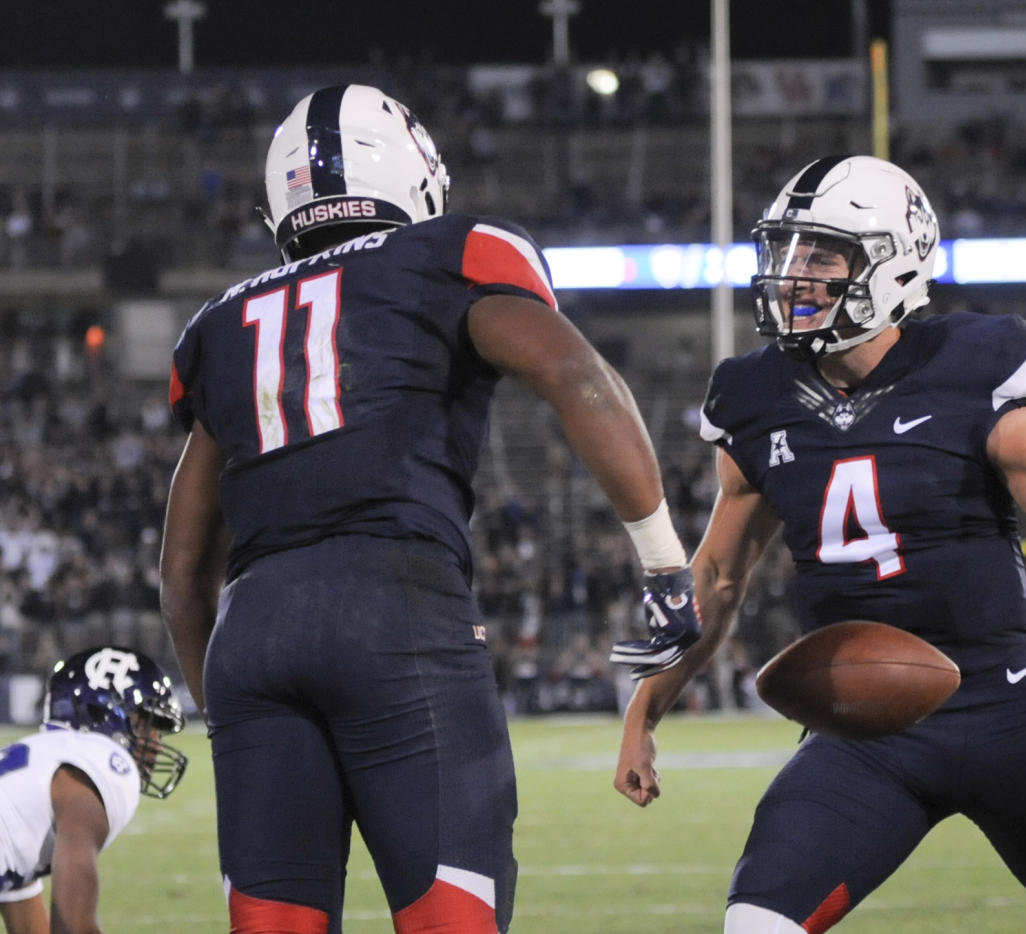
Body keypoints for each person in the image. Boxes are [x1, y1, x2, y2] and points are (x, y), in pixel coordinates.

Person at [158, 84, 699, 934]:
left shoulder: (221, 323)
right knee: (452, 918)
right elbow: (574, 374)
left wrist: (228, 702)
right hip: (393, 607)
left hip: (251, 631)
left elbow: (183, 569)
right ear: (409, 169)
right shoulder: (453, 252)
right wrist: (666, 562)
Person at [613, 155, 1026, 933]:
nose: (795, 275)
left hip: (1005, 712)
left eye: (822, 255)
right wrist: (645, 713)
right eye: (788, 251)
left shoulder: (975, 369)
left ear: (892, 266)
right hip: (862, 734)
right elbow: (715, 579)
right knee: (755, 925)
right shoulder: (754, 396)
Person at [0, 645, 187, 934]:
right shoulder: (99, 761)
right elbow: (73, 927)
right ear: (101, 712)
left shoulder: (34, 774)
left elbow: (27, 924)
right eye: (146, 724)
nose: (157, 744)